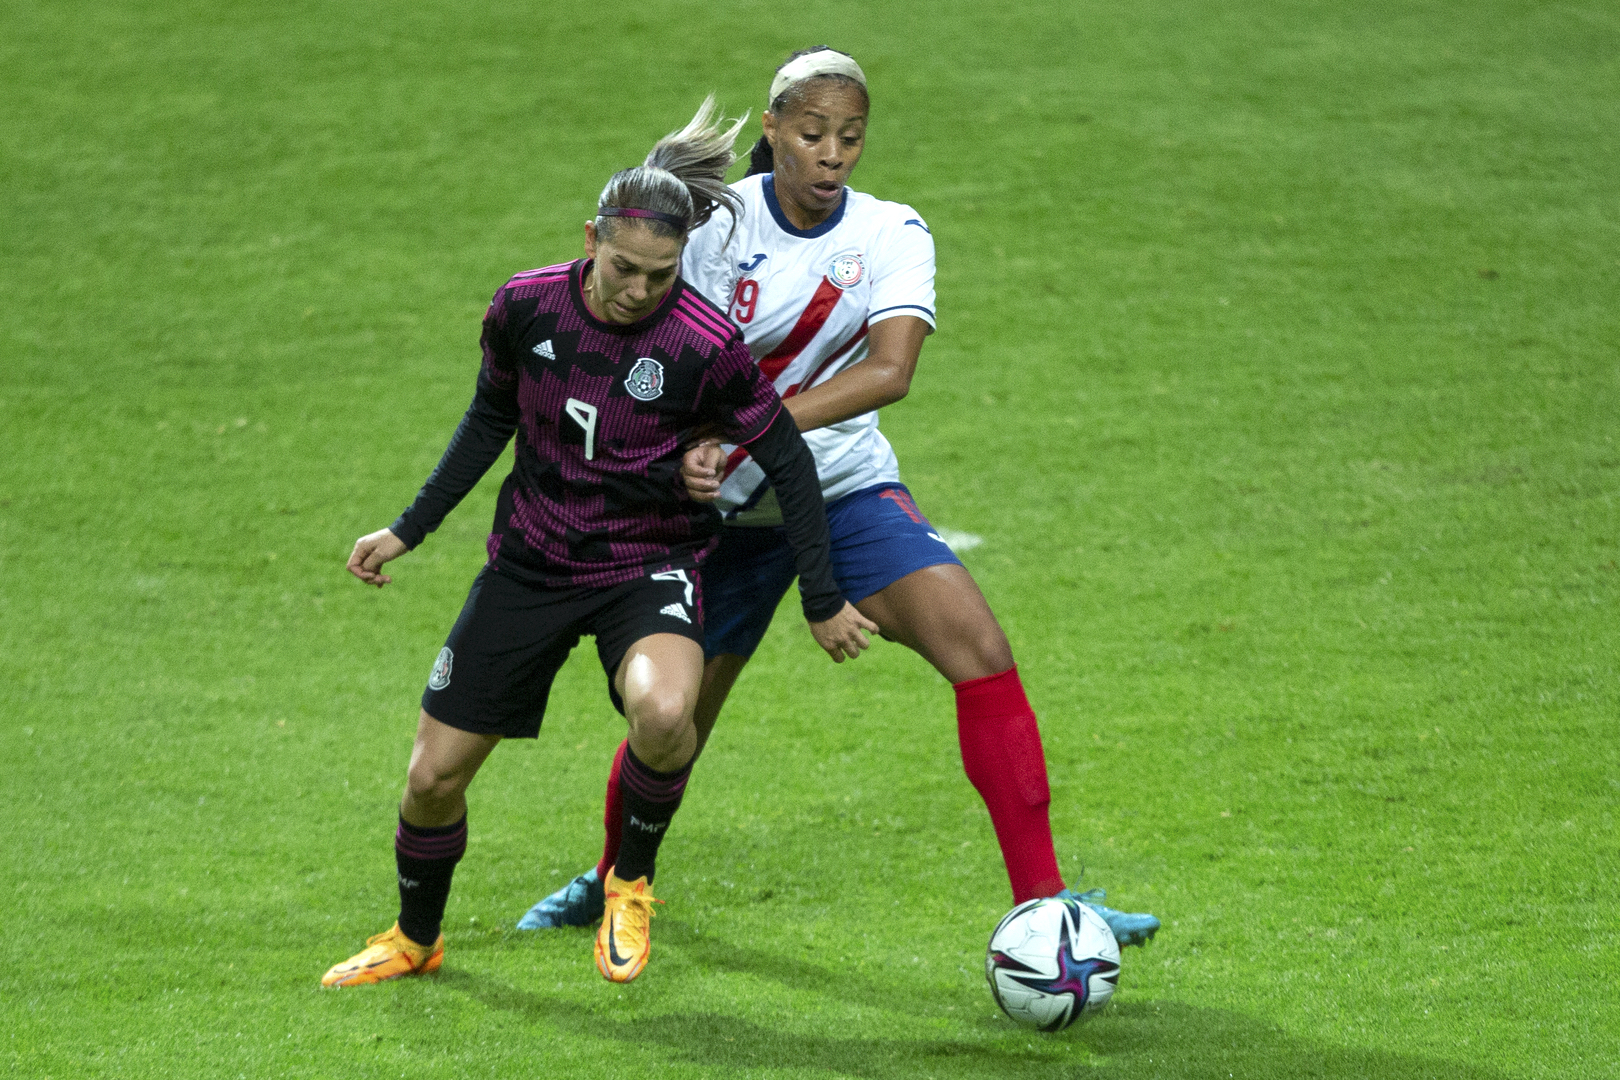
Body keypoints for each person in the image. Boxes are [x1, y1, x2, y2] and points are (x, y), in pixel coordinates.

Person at [520, 48, 1160, 947]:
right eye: (813, 134)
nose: (831, 155)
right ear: (774, 128)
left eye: (849, 138)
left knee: (980, 649)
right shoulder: (709, 228)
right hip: (718, 518)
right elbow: (633, 343)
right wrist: (667, 458)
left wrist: (745, 428)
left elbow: (890, 371)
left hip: (842, 490)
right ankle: (611, 881)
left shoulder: (892, 234)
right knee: (674, 721)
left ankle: (1046, 901)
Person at [320, 96, 878, 989]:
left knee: (665, 717)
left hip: (645, 565)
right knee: (430, 781)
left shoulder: (704, 343)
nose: (640, 290)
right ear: (591, 239)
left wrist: (821, 598)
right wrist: (408, 528)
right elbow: (486, 421)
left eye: (661, 275)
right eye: (625, 268)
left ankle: (629, 879)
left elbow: (786, 459)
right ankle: (416, 938)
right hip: (532, 565)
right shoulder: (526, 308)